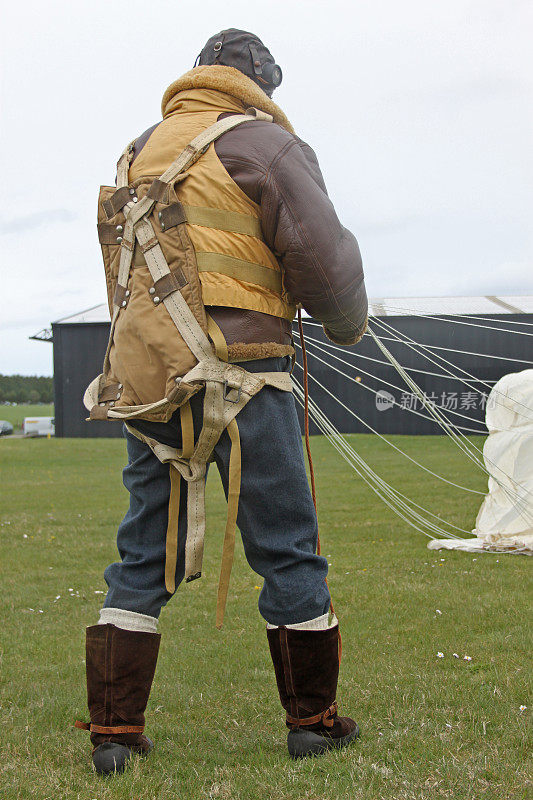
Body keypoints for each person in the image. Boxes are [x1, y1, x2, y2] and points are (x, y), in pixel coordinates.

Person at [76, 28, 368, 774]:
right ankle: (312, 720)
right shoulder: (264, 144)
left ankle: (113, 734)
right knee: (288, 548)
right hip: (247, 377)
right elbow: (323, 257)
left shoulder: (138, 150)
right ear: (260, 83)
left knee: (142, 552)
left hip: (152, 386)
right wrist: (345, 324)